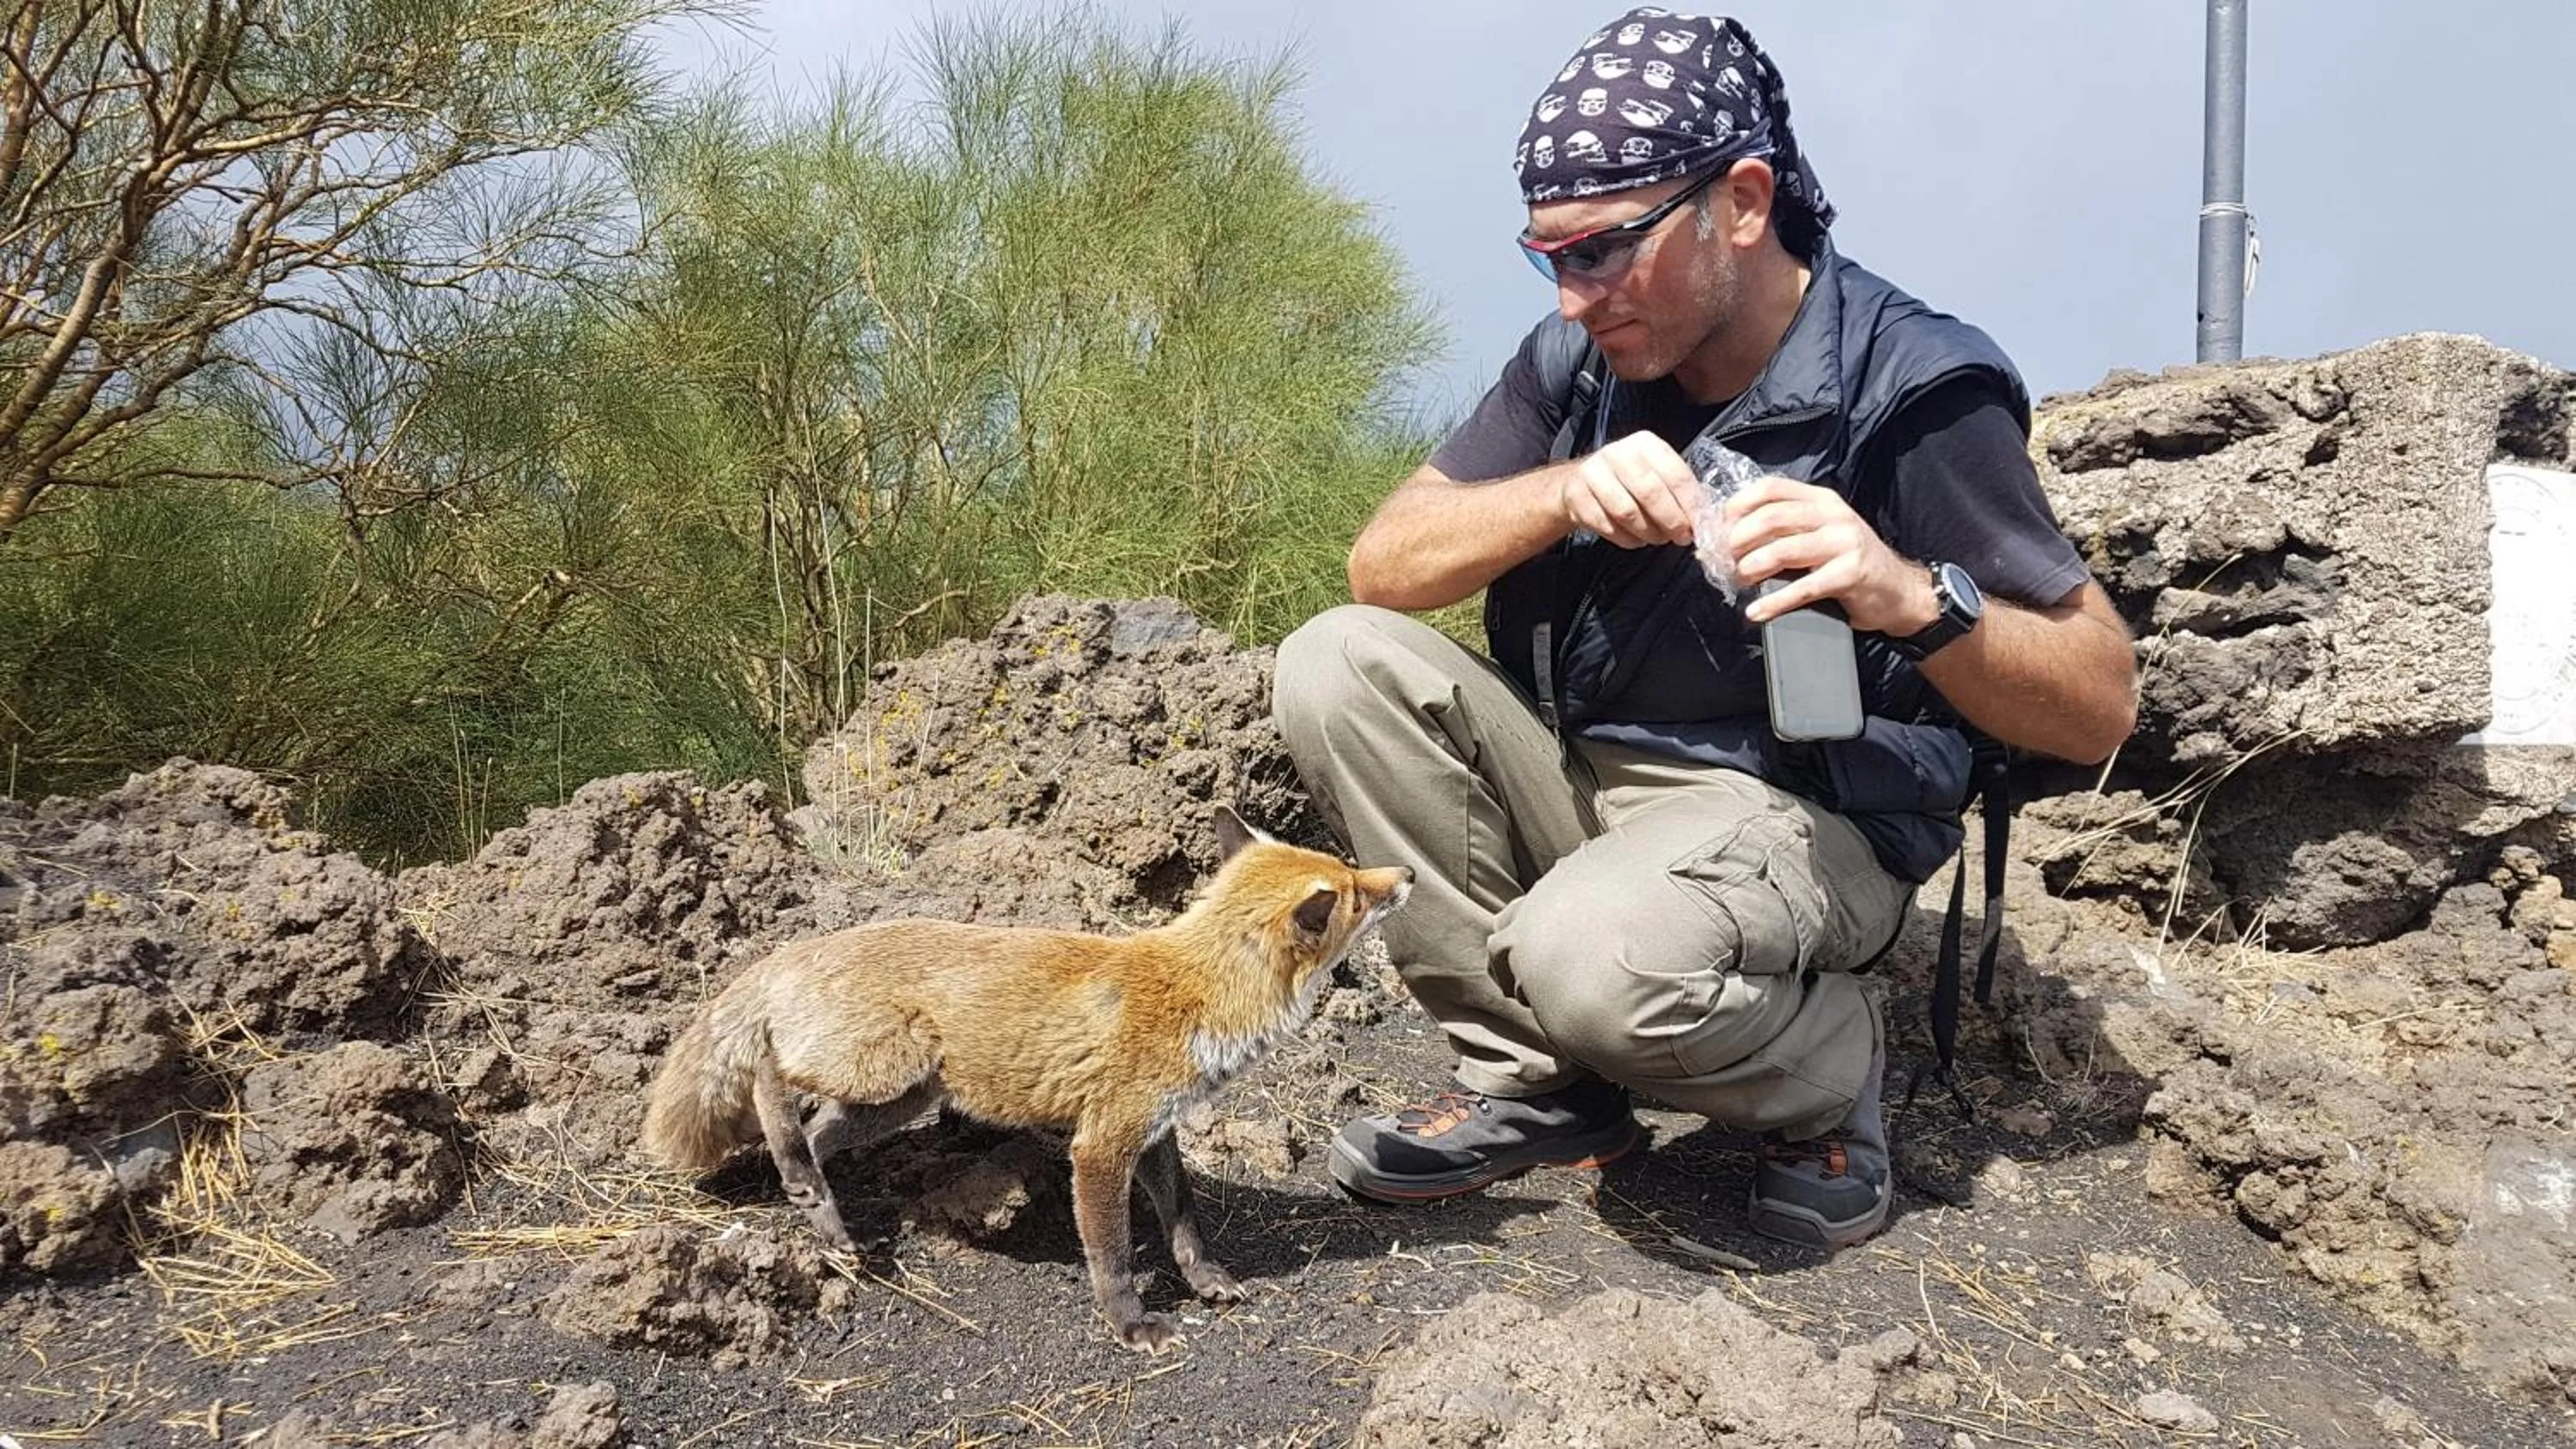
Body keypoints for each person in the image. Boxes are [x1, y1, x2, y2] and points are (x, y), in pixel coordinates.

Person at [1271, 8, 2138, 1249]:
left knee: (1595, 964)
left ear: (1741, 201)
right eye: (1548, 258)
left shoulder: (1915, 387)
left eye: (1605, 253)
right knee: (1335, 659)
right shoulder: (1581, 359)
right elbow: (1384, 565)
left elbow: (2102, 699)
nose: (1574, 299)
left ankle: (1830, 1072)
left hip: (1802, 817)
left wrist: (1905, 593)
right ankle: (1538, 1086)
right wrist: (1561, 492)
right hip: (1585, 780)